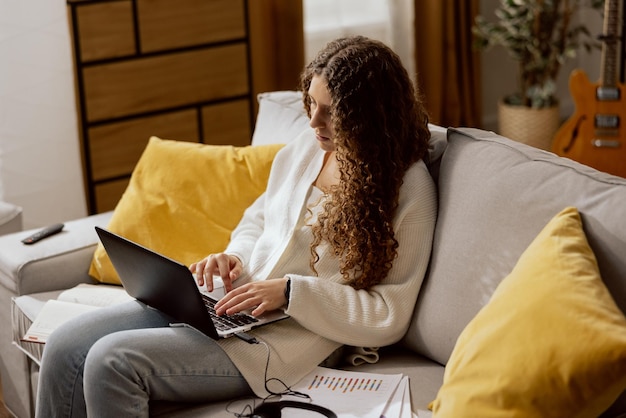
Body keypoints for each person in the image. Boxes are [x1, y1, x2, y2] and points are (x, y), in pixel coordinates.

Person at [35, 35, 437, 417]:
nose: (315, 121)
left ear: (370, 114)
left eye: (332, 112)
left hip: (287, 339)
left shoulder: (408, 188)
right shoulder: (305, 149)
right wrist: (234, 257)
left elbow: (390, 313)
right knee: (66, 344)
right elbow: (258, 218)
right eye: (311, 104)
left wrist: (290, 293)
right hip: (229, 303)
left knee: (111, 361)